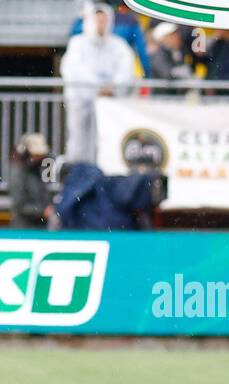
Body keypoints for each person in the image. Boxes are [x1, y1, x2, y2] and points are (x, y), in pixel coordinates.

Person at [60, 2, 136, 165]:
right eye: (97, 20)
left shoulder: (118, 45)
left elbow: (126, 70)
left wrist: (112, 88)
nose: (101, 24)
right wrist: (97, 88)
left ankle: (103, 176)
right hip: (81, 103)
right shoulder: (78, 43)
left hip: (109, 104)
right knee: (78, 142)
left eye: (104, 20)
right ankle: (77, 175)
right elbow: (74, 71)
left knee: (106, 141)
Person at [8, 134, 55, 230]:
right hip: (24, 229)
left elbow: (42, 196)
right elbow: (20, 205)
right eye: (36, 155)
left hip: (39, 227)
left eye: (41, 155)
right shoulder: (19, 174)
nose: (40, 158)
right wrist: (42, 211)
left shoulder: (37, 172)